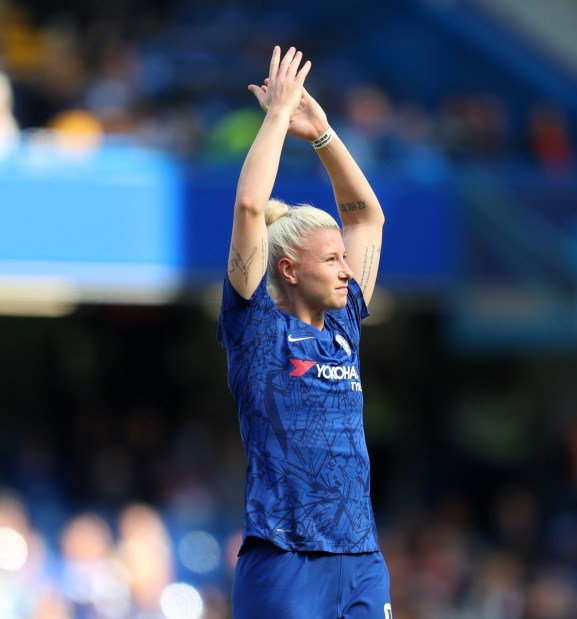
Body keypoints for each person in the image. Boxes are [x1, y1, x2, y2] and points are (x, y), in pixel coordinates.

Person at [217, 46, 391, 619]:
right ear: (289, 269)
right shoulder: (255, 329)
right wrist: (275, 118)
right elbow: (248, 206)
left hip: (361, 557)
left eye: (346, 259)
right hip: (285, 561)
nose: (348, 269)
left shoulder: (344, 324)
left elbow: (367, 215)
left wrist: (321, 134)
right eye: (331, 260)